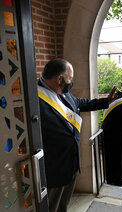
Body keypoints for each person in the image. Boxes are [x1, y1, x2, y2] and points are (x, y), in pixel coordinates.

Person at [38, 58, 116, 212]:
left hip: (71, 164)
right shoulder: (34, 100)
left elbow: (80, 103)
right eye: (70, 78)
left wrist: (105, 102)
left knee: (63, 205)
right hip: (53, 170)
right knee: (51, 207)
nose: (71, 81)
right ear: (59, 79)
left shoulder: (62, 92)